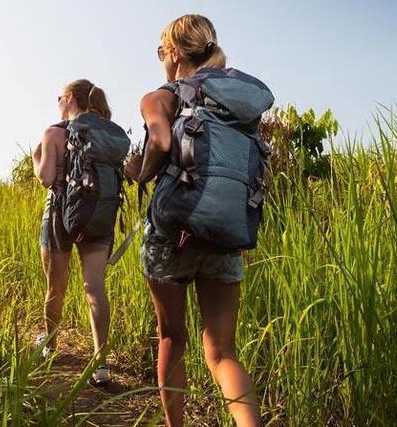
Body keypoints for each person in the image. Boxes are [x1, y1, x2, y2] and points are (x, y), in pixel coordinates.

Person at [124, 14, 269, 426]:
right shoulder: (238, 104)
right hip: (226, 232)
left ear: (173, 52)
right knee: (222, 353)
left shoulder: (163, 95)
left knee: (172, 337)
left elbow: (162, 139)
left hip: (172, 234)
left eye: (160, 51)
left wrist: (141, 172)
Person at [32, 79, 129, 386]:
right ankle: (101, 365)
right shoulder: (104, 134)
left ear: (70, 98)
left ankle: (50, 343)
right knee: (95, 287)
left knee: (55, 285)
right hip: (98, 213)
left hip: (61, 212)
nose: (58, 102)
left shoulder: (55, 132)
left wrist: (36, 160)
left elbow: (47, 177)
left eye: (59, 97)